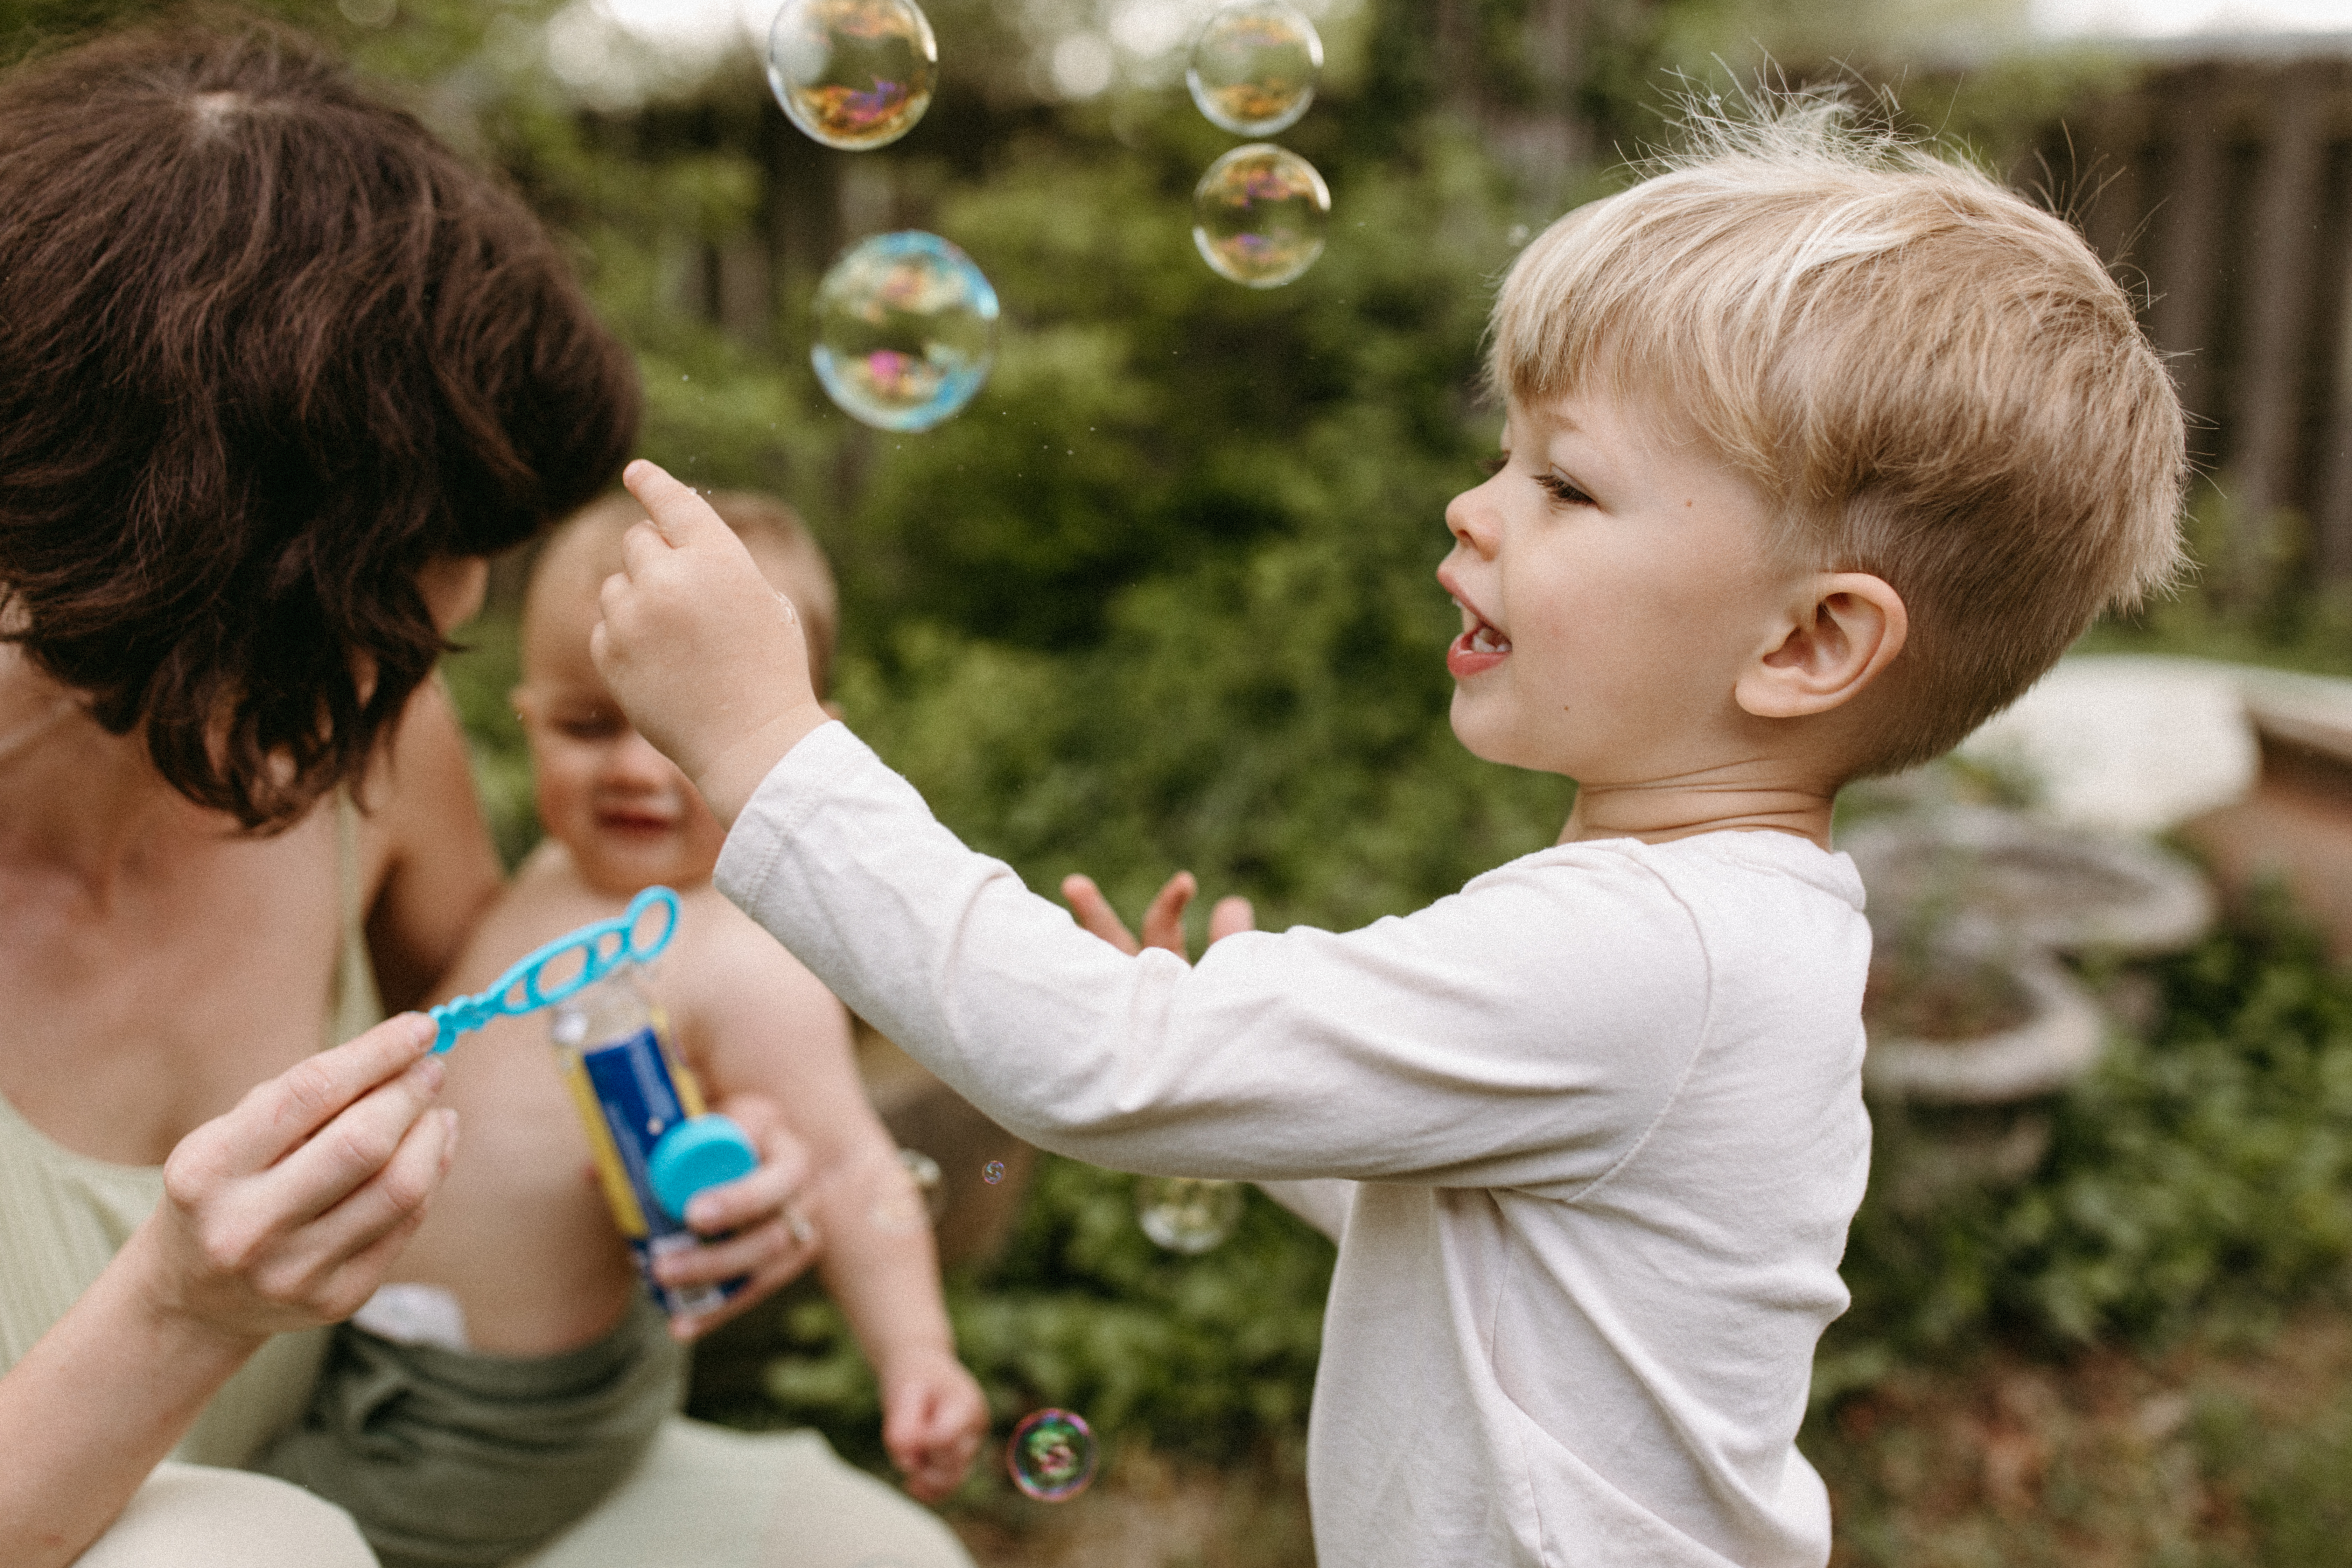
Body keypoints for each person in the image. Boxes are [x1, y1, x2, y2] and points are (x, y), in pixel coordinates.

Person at [588, 99, 2187, 1567]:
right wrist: (1278, 1075)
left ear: (1805, 647)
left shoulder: (1651, 947)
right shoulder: (1723, 926)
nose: (1473, 507)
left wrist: (760, 741)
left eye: (1565, 484)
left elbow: (1096, 1066)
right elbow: (1513, 1278)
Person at [0, 21, 971, 1568]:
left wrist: (725, 1157)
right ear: (229, 545)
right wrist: (181, 1308)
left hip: (399, 1482)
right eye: (413, 564)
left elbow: (555, 1040)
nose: (450, 616)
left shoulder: (364, 739)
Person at [257, 493, 988, 1568]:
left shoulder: (745, 953)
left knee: (264, 1520)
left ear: (807, 744)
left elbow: (848, 1163)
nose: (637, 771)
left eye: (681, 735)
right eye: (588, 726)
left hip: (504, 1419)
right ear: (528, 718)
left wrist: (917, 1354)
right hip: (381, 1351)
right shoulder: (561, 877)